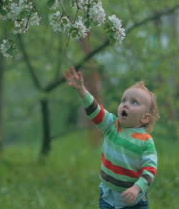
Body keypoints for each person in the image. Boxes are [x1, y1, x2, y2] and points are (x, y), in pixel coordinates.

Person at [63, 67, 159, 209]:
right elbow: (96, 111)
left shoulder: (145, 141)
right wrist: (82, 90)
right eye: (123, 100)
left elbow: (150, 169)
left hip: (134, 200)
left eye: (134, 102)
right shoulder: (112, 126)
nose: (125, 104)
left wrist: (137, 188)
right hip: (108, 197)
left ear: (145, 117)